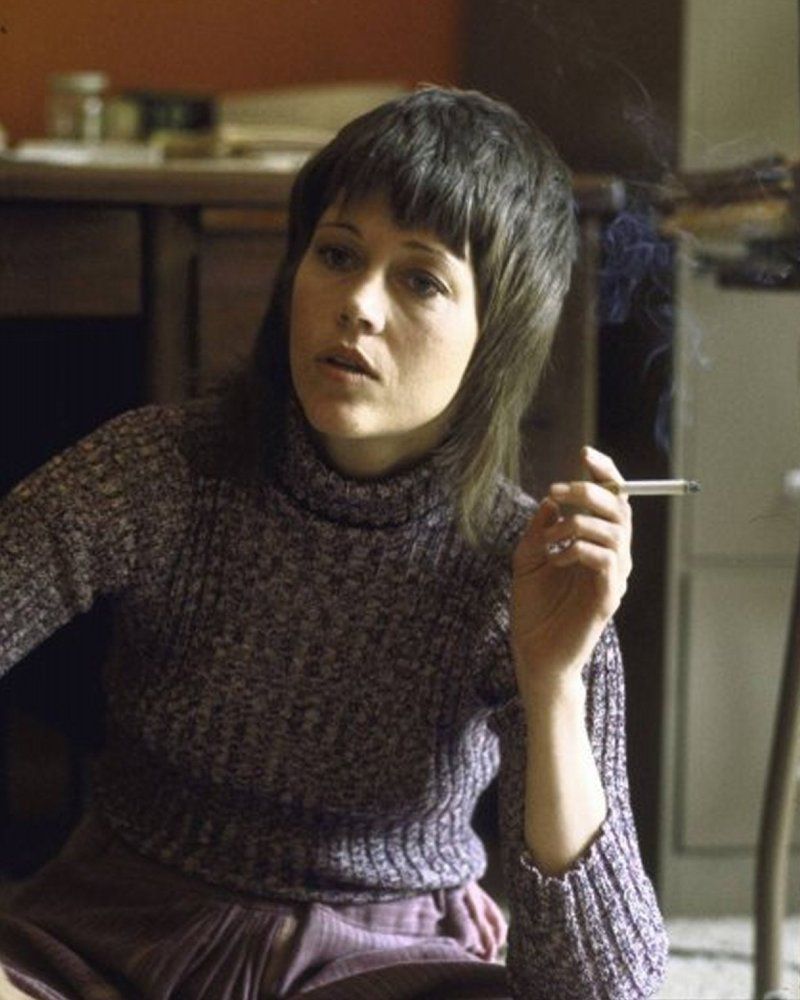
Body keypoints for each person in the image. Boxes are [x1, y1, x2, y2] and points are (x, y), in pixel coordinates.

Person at [0, 85, 668, 998]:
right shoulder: (161, 469)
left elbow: (608, 987)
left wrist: (552, 683)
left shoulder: (529, 567)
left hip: (375, 965)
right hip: (107, 938)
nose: (356, 303)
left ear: (497, 337)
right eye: (338, 254)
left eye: (421, 280)